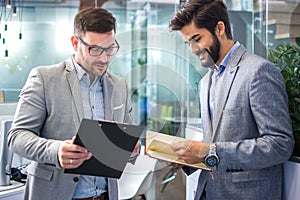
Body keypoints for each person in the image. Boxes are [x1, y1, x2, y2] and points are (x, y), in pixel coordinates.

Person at [8, 7, 140, 200]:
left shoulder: (119, 86)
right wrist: (56, 150)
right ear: (75, 42)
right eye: (94, 49)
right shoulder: (45, 78)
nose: (104, 58)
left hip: (106, 195)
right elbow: (17, 136)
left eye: (110, 49)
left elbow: (127, 138)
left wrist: (131, 150)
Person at [168, 0, 295, 199]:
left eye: (197, 38)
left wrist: (210, 152)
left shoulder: (258, 72)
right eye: (188, 43)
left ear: (220, 28)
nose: (192, 49)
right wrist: (189, 157)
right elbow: (216, 143)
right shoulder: (206, 81)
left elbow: (280, 145)